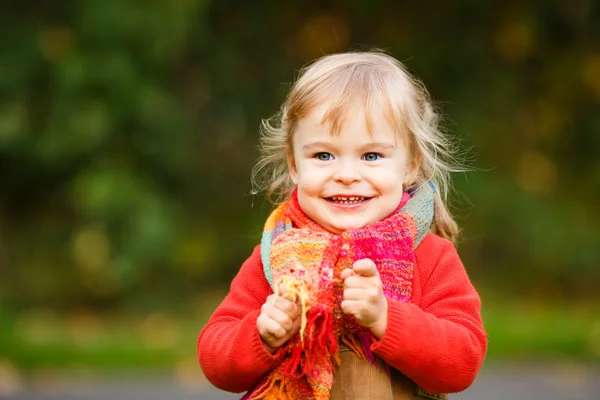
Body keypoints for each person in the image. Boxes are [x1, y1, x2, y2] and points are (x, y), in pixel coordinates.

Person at [198, 51, 487, 400]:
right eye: (323, 156)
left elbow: (463, 360)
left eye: (371, 156)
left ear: (410, 165)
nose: (347, 176)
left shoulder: (429, 254)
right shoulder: (277, 253)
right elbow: (215, 358)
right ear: (294, 165)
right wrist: (261, 336)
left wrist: (386, 317)